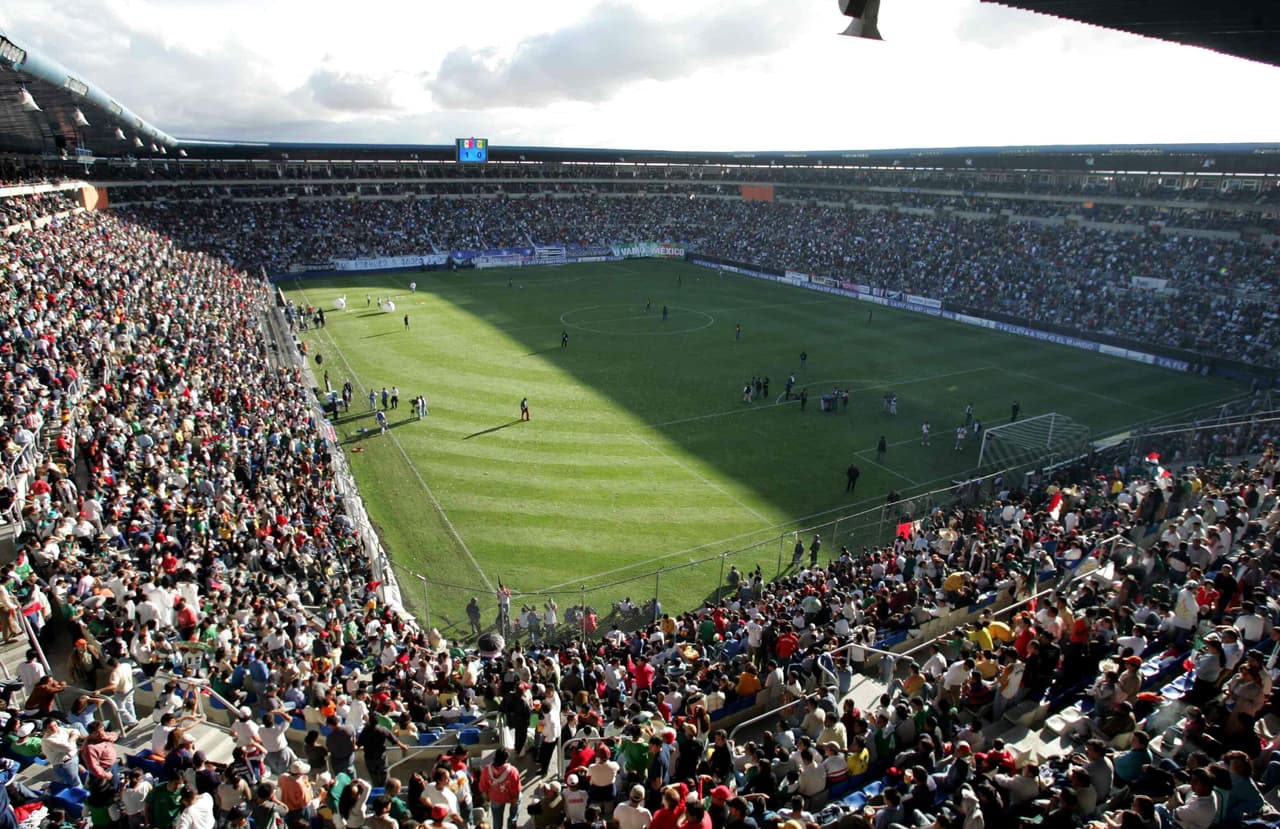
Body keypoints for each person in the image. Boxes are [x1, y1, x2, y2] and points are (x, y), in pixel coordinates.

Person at [480, 749, 521, 829]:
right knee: (515, 809)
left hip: (495, 798)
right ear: (506, 759)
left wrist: (487, 798)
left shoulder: (486, 770)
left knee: (497, 820)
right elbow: (517, 789)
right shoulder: (513, 771)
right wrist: (515, 799)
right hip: (511, 797)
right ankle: (512, 824)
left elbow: (483, 787)